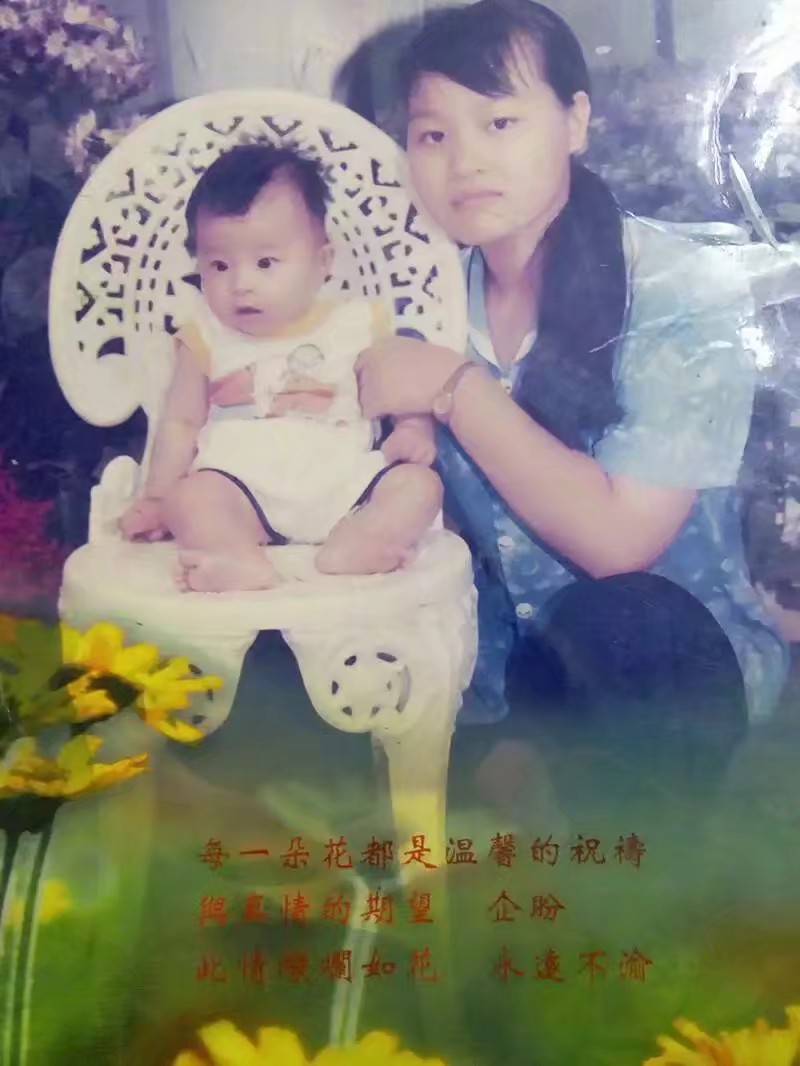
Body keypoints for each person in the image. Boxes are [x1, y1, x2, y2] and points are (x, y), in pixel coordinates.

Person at [355, 0, 789, 809]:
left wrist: (455, 389)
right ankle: (511, 760)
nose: (465, 162)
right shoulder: (416, 300)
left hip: (660, 665)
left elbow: (619, 544)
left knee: (622, 623)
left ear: (575, 121)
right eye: (433, 135)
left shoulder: (680, 289)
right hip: (491, 666)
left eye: (500, 122)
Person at [118, 143, 441, 592]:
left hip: (346, 485)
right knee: (189, 499)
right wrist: (157, 497)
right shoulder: (204, 336)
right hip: (240, 489)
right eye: (219, 265)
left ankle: (362, 542)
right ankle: (235, 557)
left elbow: (403, 388)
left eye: (266, 263)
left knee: (418, 485)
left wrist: (412, 429)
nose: (241, 283)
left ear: (322, 262)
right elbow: (181, 422)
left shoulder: (356, 324)